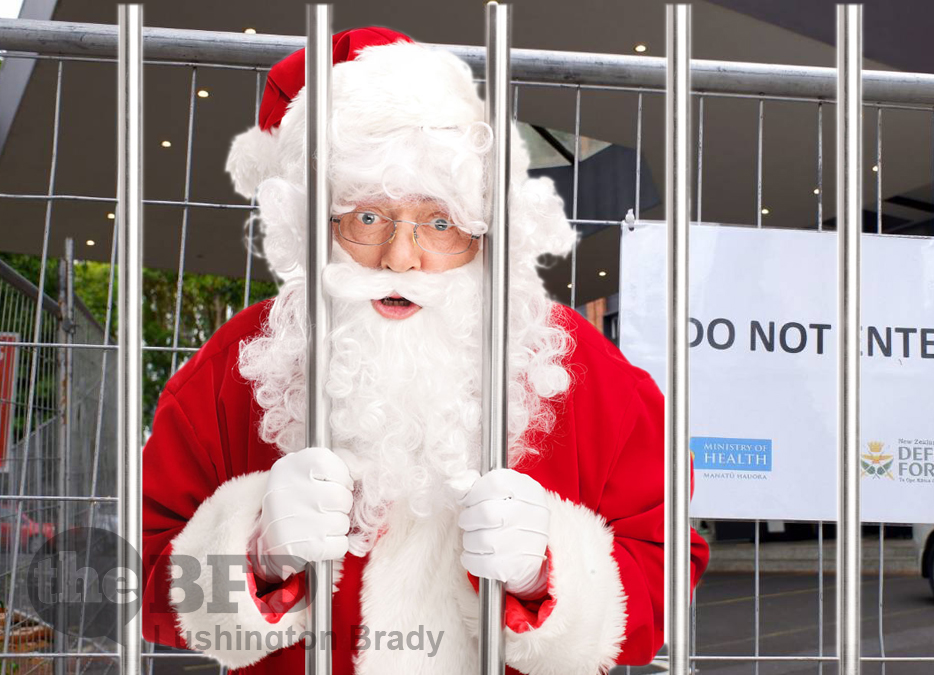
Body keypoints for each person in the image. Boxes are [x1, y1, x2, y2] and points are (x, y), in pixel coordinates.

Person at [140, 26, 710, 675]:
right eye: (366, 217)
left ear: (485, 233)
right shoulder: (237, 365)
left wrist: (548, 577)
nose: (401, 258)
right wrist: (255, 559)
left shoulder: (583, 368)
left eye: (440, 222)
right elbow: (153, 578)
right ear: (314, 226)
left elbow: (666, 567)